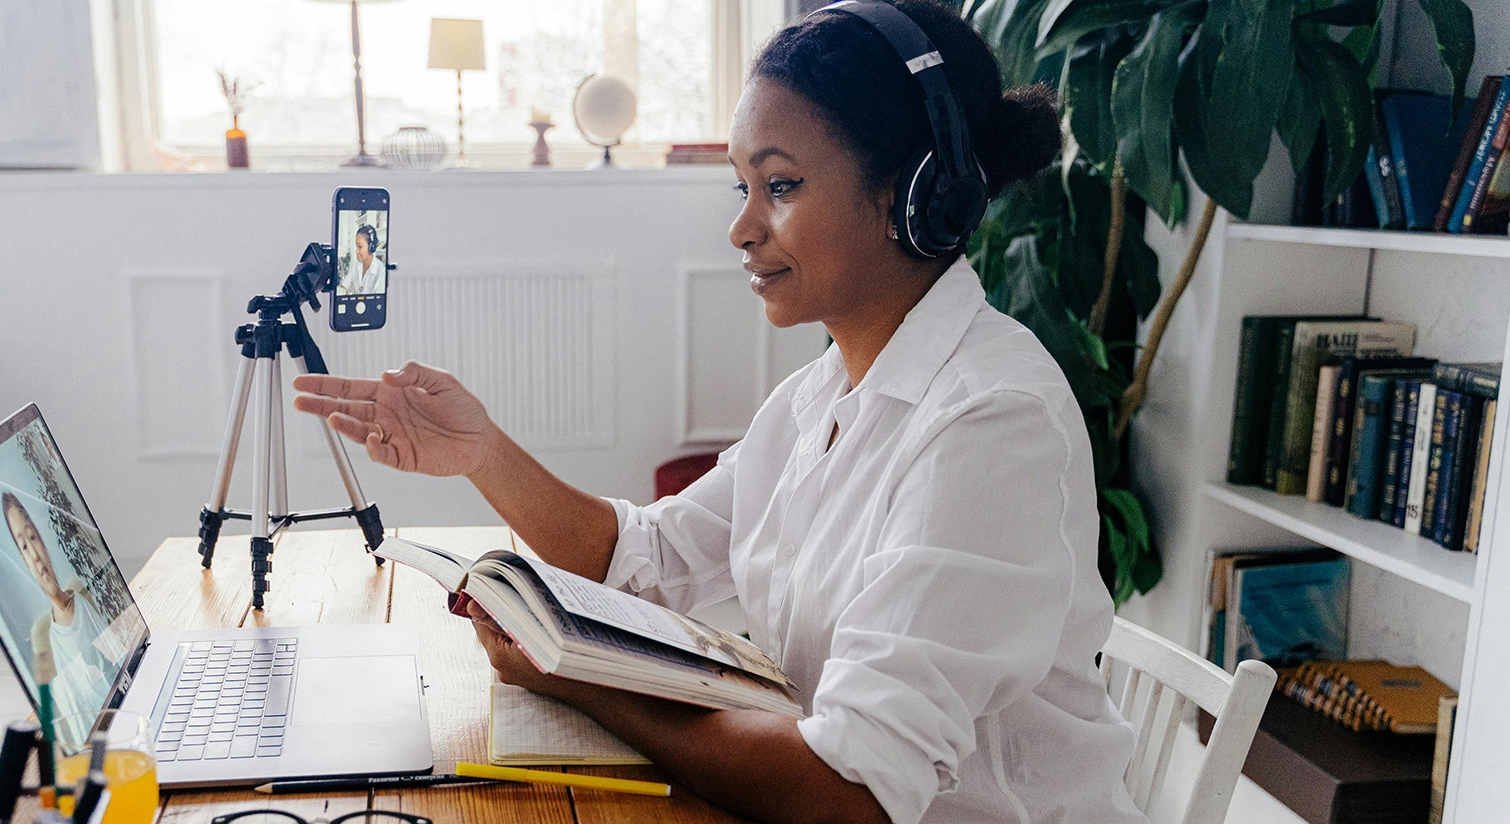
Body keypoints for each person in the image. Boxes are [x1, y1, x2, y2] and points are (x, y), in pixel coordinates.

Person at [291, 2, 1145, 822]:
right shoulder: (821, 397)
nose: (741, 228)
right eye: (741, 187)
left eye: (779, 184)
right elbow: (643, 558)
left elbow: (849, 796)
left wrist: (581, 680)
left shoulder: (992, 423)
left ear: (913, 193)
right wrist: (483, 452)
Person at [3, 491, 115, 730]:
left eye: (33, 538)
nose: (34, 556)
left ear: (43, 541)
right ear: (23, 561)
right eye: (24, 546)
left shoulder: (81, 593)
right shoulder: (44, 637)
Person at [343, 224, 387, 294]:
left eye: (360, 247)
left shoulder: (381, 270)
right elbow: (345, 285)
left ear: (371, 247)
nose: (356, 251)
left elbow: (378, 299)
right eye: (356, 247)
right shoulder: (356, 265)